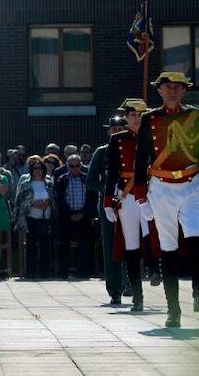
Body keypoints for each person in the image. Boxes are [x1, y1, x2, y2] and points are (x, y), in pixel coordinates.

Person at [134, 72, 199, 328]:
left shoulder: (198, 116)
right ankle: (173, 310)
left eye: (177, 87)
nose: (172, 91)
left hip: (191, 185)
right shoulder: (149, 119)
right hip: (161, 188)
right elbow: (141, 158)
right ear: (159, 91)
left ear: (184, 91)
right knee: (168, 246)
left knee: (194, 237)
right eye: (167, 87)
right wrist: (141, 196)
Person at [103, 99, 151, 311]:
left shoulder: (154, 137)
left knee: (154, 238)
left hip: (152, 194)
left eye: (141, 115)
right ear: (126, 117)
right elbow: (112, 173)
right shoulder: (117, 140)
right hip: (127, 193)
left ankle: (156, 270)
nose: (137, 118)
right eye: (133, 115)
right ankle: (137, 295)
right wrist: (107, 201)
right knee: (132, 245)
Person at [88, 114, 133, 304]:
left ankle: (131, 283)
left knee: (132, 244)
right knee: (110, 246)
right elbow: (90, 180)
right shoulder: (101, 152)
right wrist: (108, 189)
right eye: (113, 129)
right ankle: (114, 289)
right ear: (109, 131)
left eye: (120, 129)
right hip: (108, 203)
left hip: (129, 201)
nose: (116, 132)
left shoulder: (133, 148)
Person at [14, 155, 56, 279]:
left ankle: (44, 272)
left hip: (45, 218)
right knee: (31, 246)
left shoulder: (49, 182)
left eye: (40, 168)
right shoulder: (26, 183)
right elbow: (20, 200)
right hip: (31, 218)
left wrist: (48, 202)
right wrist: (33, 204)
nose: (37, 170)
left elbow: (54, 198)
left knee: (45, 246)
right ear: (31, 170)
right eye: (35, 168)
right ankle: (30, 272)